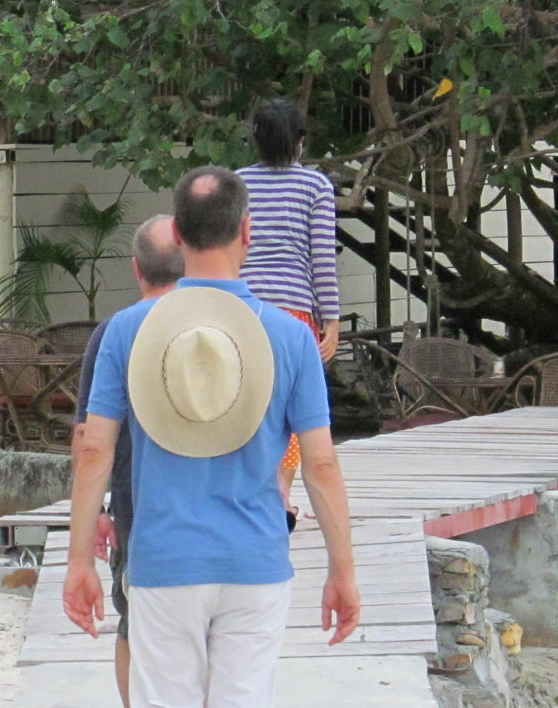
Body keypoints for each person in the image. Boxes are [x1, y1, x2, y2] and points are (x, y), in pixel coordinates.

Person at [64, 166, 360, 708]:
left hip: (163, 558)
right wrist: (342, 570)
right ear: (247, 231)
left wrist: (78, 560)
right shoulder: (292, 337)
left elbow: (93, 451)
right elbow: (320, 466)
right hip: (255, 560)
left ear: (177, 234)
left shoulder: (128, 331)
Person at [69, 214, 183, 708]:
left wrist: (90, 513)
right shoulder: (224, 324)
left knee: (135, 625)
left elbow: (88, 438)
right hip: (226, 510)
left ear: (137, 268)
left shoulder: (114, 332)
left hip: (138, 508)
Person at [240, 98, 339, 516]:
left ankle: (252, 490)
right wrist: (330, 320)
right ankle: (280, 492)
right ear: (301, 142)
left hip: (241, 309)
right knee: (293, 404)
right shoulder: (315, 186)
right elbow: (322, 259)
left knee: (247, 400)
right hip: (295, 311)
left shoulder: (236, 182)